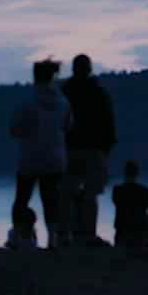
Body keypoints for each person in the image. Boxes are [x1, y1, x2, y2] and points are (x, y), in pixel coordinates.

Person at [8, 58, 71, 248]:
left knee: (22, 198)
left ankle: (18, 236)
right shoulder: (63, 102)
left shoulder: (27, 102)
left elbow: (15, 129)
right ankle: (53, 238)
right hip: (55, 157)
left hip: (30, 157)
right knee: (51, 199)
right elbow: (68, 126)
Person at [61, 54, 116, 244]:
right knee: (91, 195)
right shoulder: (99, 92)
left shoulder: (65, 92)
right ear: (89, 69)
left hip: (69, 150)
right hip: (94, 149)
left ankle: (67, 234)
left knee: (68, 193)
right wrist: (106, 148)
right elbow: (108, 122)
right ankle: (88, 235)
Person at [111, 160, 148, 252]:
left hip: (123, 233)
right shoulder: (144, 191)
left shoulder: (117, 191)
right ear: (137, 173)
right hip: (139, 234)